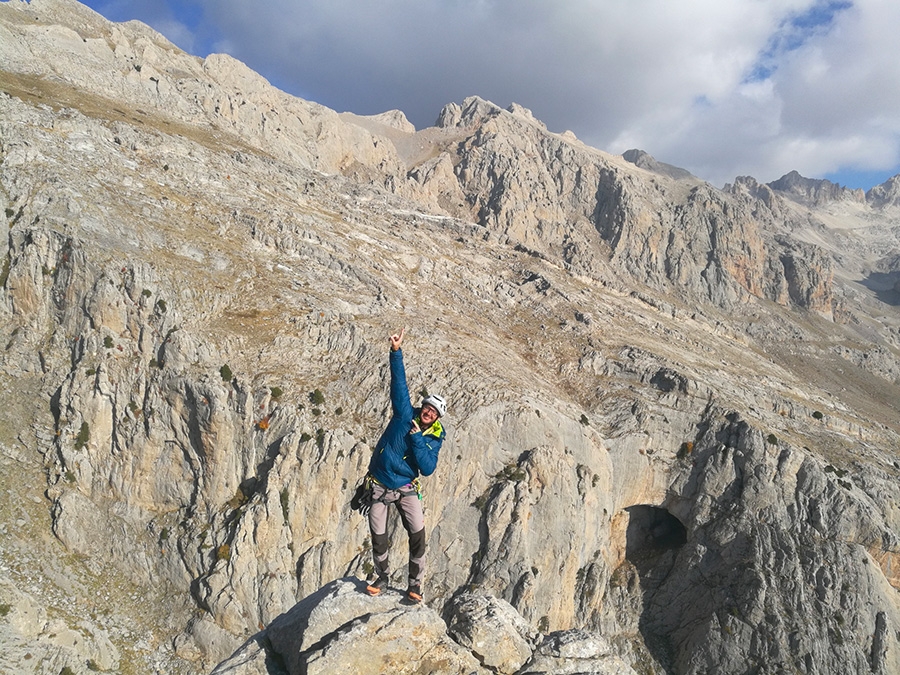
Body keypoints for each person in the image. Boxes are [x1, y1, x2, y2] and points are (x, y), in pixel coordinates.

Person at [364, 327, 447, 603]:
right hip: (379, 482)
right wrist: (396, 351)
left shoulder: (433, 438)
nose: (428, 412)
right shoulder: (403, 414)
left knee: (418, 534)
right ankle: (383, 576)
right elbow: (399, 385)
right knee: (378, 535)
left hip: (406, 485)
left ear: (436, 419)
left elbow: (427, 468)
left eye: (433, 412)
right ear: (421, 407)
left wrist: (416, 439)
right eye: (427, 407)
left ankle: (415, 584)